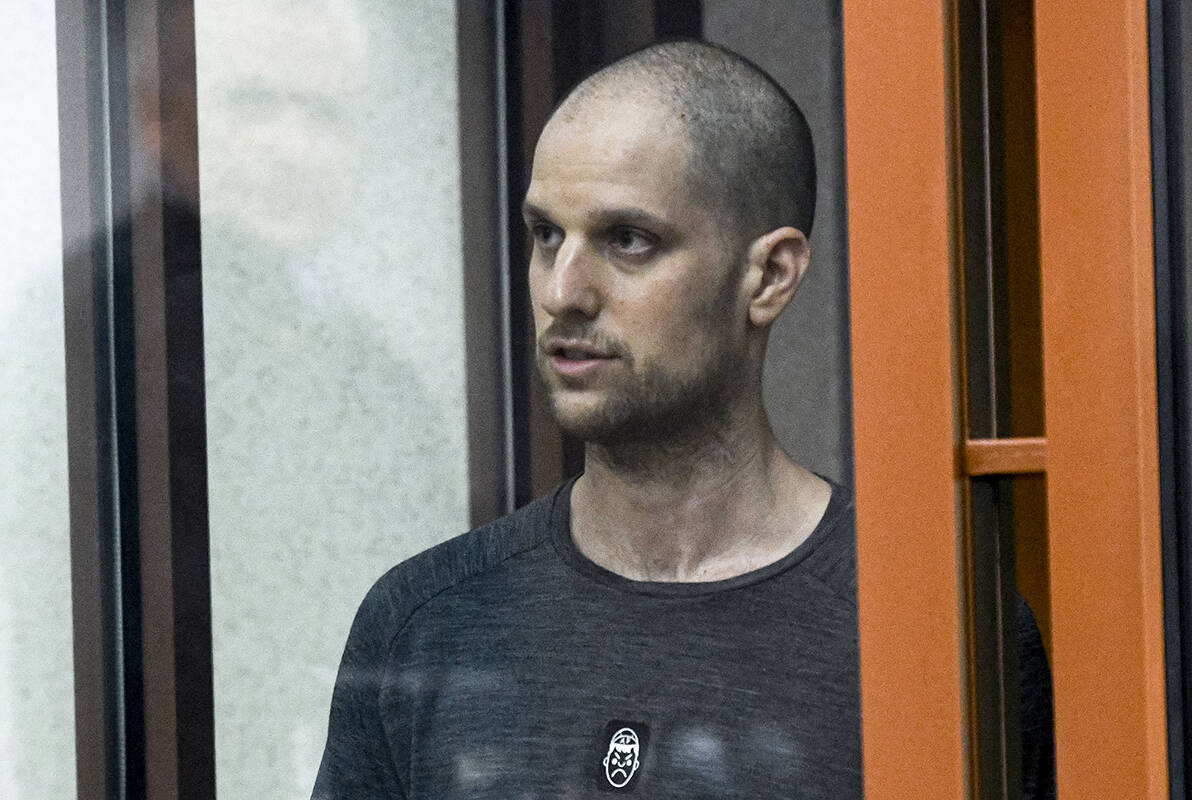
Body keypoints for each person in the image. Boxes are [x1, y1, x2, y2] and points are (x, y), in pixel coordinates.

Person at [311, 39, 1055, 799]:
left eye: (627, 240)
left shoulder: (934, 632)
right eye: (546, 236)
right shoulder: (427, 622)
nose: (563, 291)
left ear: (767, 276)